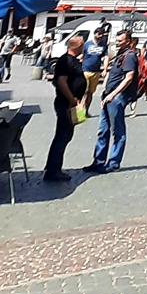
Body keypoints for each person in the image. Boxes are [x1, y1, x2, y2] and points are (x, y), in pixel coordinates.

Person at [90, 31, 139, 173]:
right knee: (102, 131)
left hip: (117, 98)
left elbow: (129, 77)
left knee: (118, 132)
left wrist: (113, 94)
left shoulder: (130, 56)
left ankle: (113, 163)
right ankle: (98, 161)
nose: (117, 43)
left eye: (120, 41)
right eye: (117, 40)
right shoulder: (120, 54)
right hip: (108, 97)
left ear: (128, 41)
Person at [44, 33, 86, 183]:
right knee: (63, 135)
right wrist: (71, 99)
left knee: (65, 135)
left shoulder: (72, 60)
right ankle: (53, 170)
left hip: (70, 102)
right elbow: (62, 82)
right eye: (82, 45)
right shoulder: (65, 61)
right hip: (66, 103)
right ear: (78, 46)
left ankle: (53, 166)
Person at [80, 25, 106, 113]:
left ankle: (86, 111)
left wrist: (105, 69)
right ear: (95, 34)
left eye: (102, 34)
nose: (100, 36)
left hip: (96, 72)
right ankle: (80, 113)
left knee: (90, 93)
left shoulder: (103, 46)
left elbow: (106, 57)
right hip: (85, 70)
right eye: (99, 34)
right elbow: (82, 55)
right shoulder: (87, 44)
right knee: (84, 92)